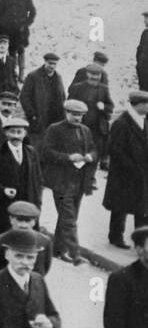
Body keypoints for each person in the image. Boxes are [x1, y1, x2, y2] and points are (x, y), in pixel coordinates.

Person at [41, 99, 97, 264]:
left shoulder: (86, 131)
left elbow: (94, 149)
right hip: (60, 180)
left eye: (80, 115)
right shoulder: (55, 129)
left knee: (67, 217)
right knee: (68, 218)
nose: (77, 118)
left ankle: (58, 249)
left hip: (79, 181)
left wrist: (90, 157)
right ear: (66, 113)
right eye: (74, 114)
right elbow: (46, 152)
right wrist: (68, 157)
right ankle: (75, 254)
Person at [103, 90, 148, 249]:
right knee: (119, 207)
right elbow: (115, 149)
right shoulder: (122, 123)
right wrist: (132, 167)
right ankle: (115, 236)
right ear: (139, 105)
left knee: (142, 208)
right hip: (123, 174)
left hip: (141, 173)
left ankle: (141, 241)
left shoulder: (143, 121)